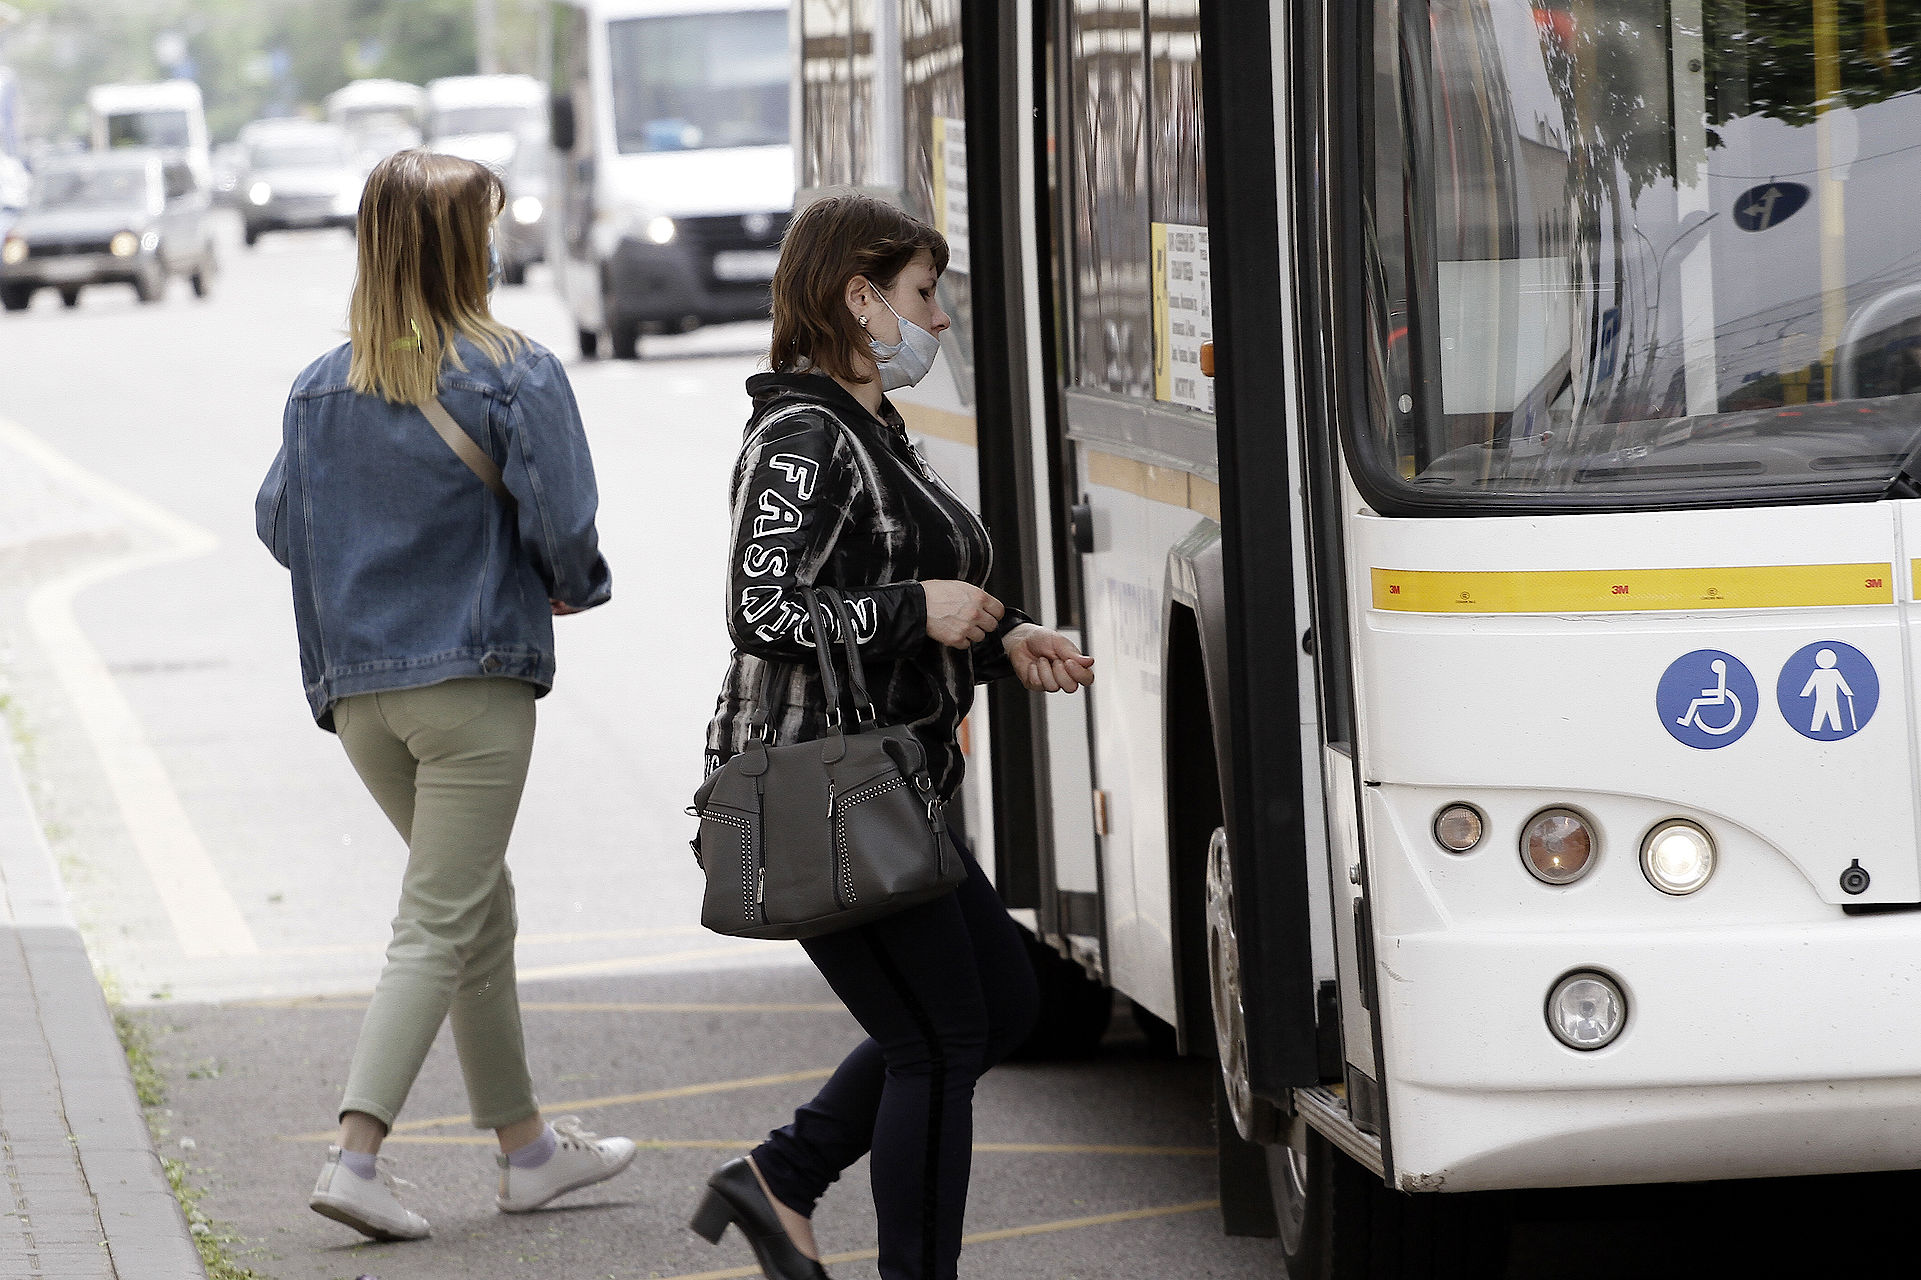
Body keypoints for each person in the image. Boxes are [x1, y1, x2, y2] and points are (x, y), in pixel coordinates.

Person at [688, 192, 1096, 1280]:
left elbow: (898, 568)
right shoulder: (801, 431)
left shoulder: (869, 425)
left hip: (890, 783)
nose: (941, 319)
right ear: (857, 297)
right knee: (939, 1039)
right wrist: (918, 608)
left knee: (1002, 1003)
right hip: (823, 784)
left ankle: (782, 1173)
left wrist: (1005, 632)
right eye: (925, 293)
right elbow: (761, 609)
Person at [254, 149, 634, 1243]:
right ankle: (356, 1153)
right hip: (470, 684)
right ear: (468, 248)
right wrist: (571, 587)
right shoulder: (513, 371)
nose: (504, 241)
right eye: (492, 226)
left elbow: (283, 525)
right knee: (438, 916)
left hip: (362, 700)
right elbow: (562, 524)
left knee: (475, 904)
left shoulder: (321, 385)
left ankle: (527, 1152)